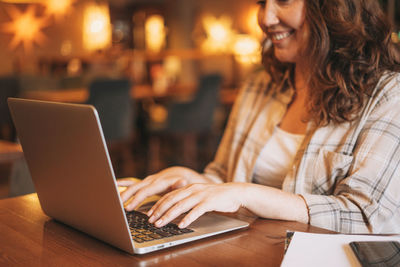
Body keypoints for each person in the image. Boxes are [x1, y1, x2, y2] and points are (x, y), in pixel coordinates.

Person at [118, 0, 400, 234]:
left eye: (284, 1)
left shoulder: (387, 94)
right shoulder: (259, 86)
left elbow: (367, 215)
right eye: (262, 3)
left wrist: (247, 194)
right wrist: (191, 180)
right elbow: (224, 179)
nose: (266, 17)